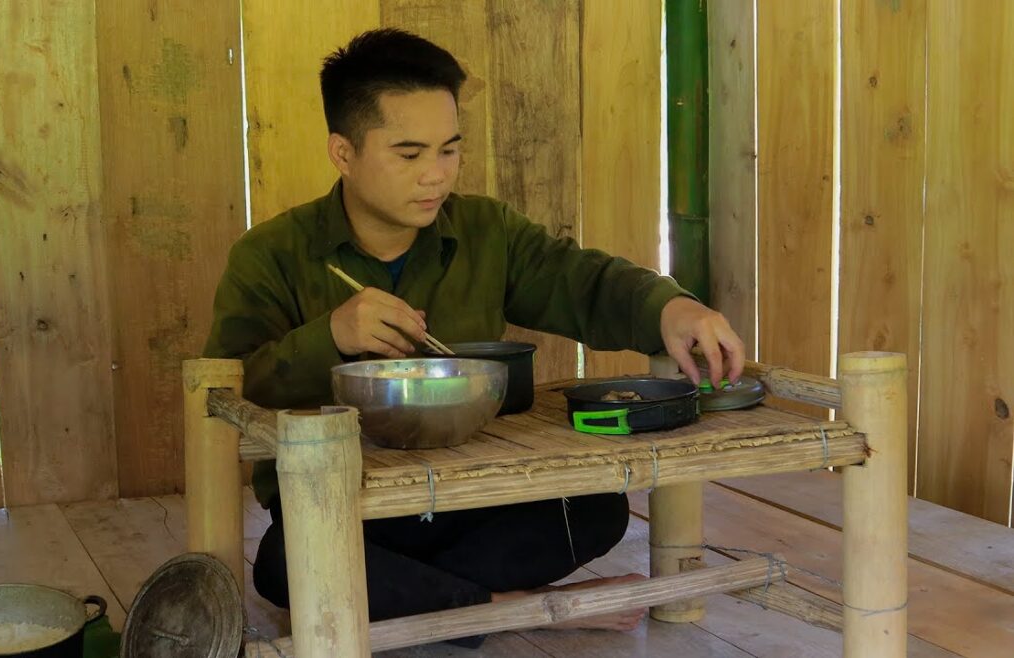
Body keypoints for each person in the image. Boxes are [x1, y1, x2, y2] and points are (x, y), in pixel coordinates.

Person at [203, 28, 745, 639]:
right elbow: (229, 392)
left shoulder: (486, 230)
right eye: (409, 155)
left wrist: (671, 308)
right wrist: (331, 335)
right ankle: (498, 606)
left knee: (596, 509)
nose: (435, 176)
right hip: (344, 507)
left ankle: (401, 601)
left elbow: (582, 280)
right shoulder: (270, 253)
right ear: (343, 153)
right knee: (282, 562)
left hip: (472, 489)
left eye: (449, 150)